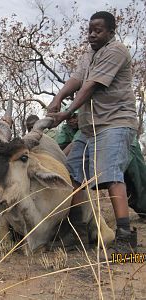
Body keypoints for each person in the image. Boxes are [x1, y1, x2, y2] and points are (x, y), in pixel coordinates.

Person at [47, 11, 138, 254]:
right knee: (72, 173)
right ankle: (78, 231)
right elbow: (77, 79)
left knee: (110, 175)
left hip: (114, 123)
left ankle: (124, 235)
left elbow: (91, 85)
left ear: (111, 31)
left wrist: (67, 113)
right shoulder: (88, 55)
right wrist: (57, 98)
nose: (92, 35)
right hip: (89, 128)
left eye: (98, 30)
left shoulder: (116, 51)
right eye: (90, 30)